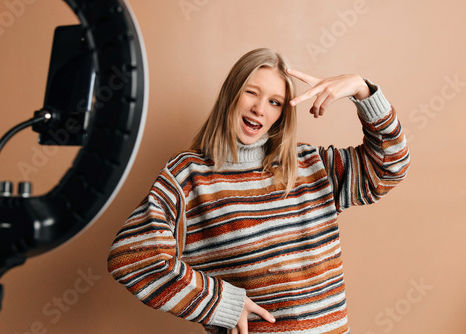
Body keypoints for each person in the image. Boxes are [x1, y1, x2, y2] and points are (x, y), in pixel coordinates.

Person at [107, 48, 410, 334]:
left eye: (274, 102)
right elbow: (134, 258)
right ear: (231, 94)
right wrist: (220, 303)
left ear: (282, 114)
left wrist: (363, 91)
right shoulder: (188, 174)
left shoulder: (310, 164)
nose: (258, 108)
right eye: (251, 92)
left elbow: (389, 167)